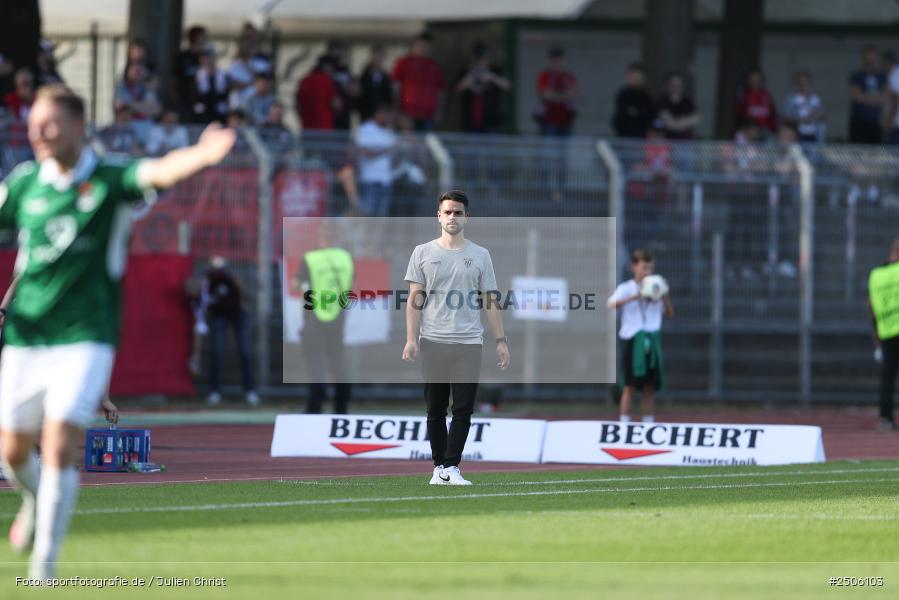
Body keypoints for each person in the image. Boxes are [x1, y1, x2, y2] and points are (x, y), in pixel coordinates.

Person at [0, 84, 236, 579]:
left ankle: (44, 567)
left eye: (50, 123)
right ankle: (37, 496)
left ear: (78, 126)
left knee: (61, 441)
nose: (38, 132)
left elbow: (159, 171)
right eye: (32, 124)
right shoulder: (23, 184)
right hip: (26, 337)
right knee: (12, 452)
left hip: (86, 335)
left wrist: (202, 155)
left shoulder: (109, 180)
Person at [402, 190, 509, 485]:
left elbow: (490, 301)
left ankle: (452, 467)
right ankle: (439, 468)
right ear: (438, 216)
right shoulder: (422, 252)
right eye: (447, 212)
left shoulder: (480, 255)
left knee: (462, 409)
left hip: (468, 343)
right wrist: (411, 339)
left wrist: (501, 340)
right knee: (435, 408)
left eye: (458, 212)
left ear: (467, 217)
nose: (452, 217)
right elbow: (414, 301)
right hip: (432, 341)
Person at [291, 224, 354, 414]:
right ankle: (341, 408)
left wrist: (305, 287)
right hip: (338, 317)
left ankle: (314, 408)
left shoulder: (311, 258)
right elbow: (352, 284)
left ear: (319, 238)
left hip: (314, 318)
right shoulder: (345, 258)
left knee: (315, 364)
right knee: (338, 363)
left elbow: (295, 285)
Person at [606, 249, 674, 423]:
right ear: (634, 267)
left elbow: (669, 313)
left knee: (649, 387)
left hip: (652, 338)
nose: (647, 272)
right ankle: (624, 424)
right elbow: (611, 304)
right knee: (629, 385)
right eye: (644, 268)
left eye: (650, 268)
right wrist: (634, 297)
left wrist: (665, 296)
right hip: (634, 339)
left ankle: (648, 425)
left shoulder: (656, 286)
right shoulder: (626, 288)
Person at [204, 256, 259, 406]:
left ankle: (250, 391)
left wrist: (241, 304)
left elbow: (242, 293)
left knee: (245, 353)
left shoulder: (232, 279)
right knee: (217, 352)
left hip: (237, 315)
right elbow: (204, 298)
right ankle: (215, 391)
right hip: (219, 316)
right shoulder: (208, 280)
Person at [868, 237, 899, 431]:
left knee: (887, 378)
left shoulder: (876, 275)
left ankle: (885, 418)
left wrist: (876, 335)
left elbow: (870, 307)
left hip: (886, 332)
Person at [392, 32, 446, 132]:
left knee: (425, 144)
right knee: (408, 144)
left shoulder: (434, 66)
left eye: (427, 46)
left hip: (428, 116)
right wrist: (397, 110)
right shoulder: (403, 63)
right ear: (415, 45)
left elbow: (440, 92)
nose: (424, 49)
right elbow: (396, 87)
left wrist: (439, 112)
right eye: (421, 45)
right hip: (407, 114)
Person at [456, 42, 509, 135]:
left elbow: (507, 85)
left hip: (492, 122)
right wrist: (471, 76)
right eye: (478, 59)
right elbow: (458, 88)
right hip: (471, 123)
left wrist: (491, 77)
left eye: (483, 58)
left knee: (492, 148)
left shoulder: (495, 71)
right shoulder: (467, 72)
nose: (481, 62)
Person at [355, 103, 397, 217]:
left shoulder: (389, 133)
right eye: (387, 115)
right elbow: (365, 152)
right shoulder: (365, 129)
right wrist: (386, 150)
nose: (389, 119)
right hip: (369, 179)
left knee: (382, 215)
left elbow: (394, 157)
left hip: (386, 180)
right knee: (366, 214)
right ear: (378, 114)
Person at [535, 46, 577, 137]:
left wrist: (555, 95)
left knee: (564, 148)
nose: (557, 63)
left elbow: (573, 94)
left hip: (566, 119)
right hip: (548, 120)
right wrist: (563, 96)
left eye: (560, 60)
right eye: (554, 60)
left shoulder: (568, 77)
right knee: (549, 148)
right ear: (549, 61)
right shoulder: (545, 76)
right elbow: (544, 94)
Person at [848, 45, 886, 144]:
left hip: (875, 122)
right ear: (863, 59)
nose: (870, 61)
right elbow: (856, 96)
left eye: (872, 58)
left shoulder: (881, 76)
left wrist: (865, 97)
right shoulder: (857, 75)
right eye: (867, 58)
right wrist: (874, 99)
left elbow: (883, 97)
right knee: (857, 154)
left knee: (875, 154)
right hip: (858, 121)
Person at [612, 63, 655, 138]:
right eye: (634, 76)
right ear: (628, 76)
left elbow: (649, 116)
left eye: (638, 76)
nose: (636, 79)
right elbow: (621, 116)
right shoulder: (623, 95)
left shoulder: (647, 96)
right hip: (624, 136)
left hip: (643, 138)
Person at [296, 55, 338, 131]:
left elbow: (298, 106)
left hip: (307, 127)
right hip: (324, 126)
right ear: (326, 67)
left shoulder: (304, 81)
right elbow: (335, 104)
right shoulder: (327, 81)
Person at [782, 70, 825, 144]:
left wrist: (816, 116)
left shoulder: (815, 99)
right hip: (798, 134)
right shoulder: (791, 99)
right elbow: (785, 118)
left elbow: (823, 117)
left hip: (814, 133)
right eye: (801, 82)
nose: (804, 84)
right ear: (797, 83)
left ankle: (820, 148)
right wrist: (801, 120)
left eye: (806, 82)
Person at [735, 68, 777, 139]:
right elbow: (740, 115)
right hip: (749, 130)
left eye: (757, 79)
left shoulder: (766, 95)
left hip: (765, 129)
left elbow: (772, 114)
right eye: (752, 79)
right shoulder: (744, 95)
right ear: (748, 81)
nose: (755, 82)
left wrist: (773, 128)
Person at [657, 72, 699, 140]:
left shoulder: (688, 102)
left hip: (686, 143)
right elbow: (671, 125)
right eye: (672, 85)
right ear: (666, 86)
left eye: (679, 85)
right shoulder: (661, 102)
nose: (676, 88)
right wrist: (685, 120)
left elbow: (696, 119)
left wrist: (676, 122)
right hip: (666, 143)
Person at [357, 45, 393, 122]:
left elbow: (388, 95)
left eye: (380, 57)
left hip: (382, 114)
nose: (377, 60)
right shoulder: (364, 75)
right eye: (375, 57)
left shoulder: (385, 76)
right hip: (367, 112)